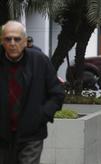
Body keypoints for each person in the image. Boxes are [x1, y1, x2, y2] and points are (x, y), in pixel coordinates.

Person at [0, 21, 65, 164]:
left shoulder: (40, 61)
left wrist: (42, 115)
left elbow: (57, 93)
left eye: (17, 39)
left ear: (25, 41)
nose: (12, 43)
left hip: (31, 135)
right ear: (2, 41)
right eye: (7, 39)